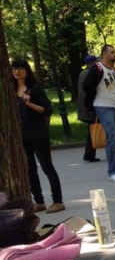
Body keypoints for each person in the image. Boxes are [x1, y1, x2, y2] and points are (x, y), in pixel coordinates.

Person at [11, 59, 64, 213]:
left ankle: (58, 201)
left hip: (37, 132)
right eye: (14, 68)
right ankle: (39, 201)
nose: (17, 71)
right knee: (29, 168)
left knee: (46, 166)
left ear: (27, 70)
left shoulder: (35, 88)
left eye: (20, 68)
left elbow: (47, 110)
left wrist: (29, 104)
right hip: (22, 134)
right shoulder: (11, 89)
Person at [82, 44, 115, 183]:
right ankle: (112, 172)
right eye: (112, 52)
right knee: (112, 138)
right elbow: (87, 86)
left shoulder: (113, 70)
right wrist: (93, 101)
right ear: (104, 54)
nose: (114, 55)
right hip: (103, 106)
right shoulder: (97, 68)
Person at [77, 55, 100, 163]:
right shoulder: (91, 73)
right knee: (92, 131)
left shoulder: (82, 73)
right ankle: (89, 154)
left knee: (91, 130)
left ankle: (90, 154)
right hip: (90, 107)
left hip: (84, 107)